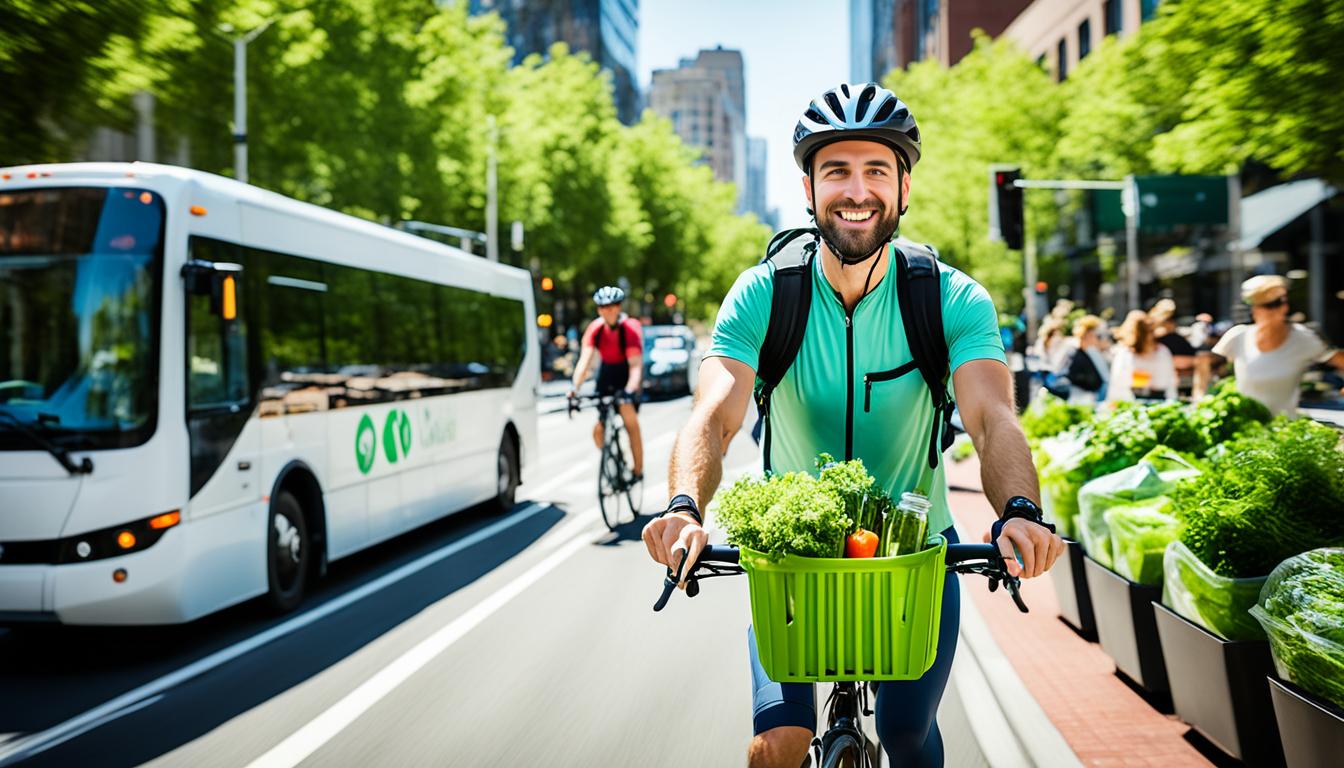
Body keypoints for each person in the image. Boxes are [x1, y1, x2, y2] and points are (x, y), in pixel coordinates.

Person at [641, 82, 1063, 768]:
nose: (856, 189)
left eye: (876, 170)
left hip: (914, 557)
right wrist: (686, 506)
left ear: (902, 189)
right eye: (836, 170)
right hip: (791, 566)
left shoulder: (949, 297)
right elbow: (714, 414)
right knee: (777, 745)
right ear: (809, 189)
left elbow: (991, 418)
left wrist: (1020, 509)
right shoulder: (765, 292)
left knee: (905, 736)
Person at [1193, 275, 1344, 416]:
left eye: (1278, 303)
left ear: (1285, 306)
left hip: (1284, 431)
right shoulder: (1238, 336)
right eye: (1267, 305)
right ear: (1254, 309)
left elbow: (1339, 359)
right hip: (1245, 427)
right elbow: (1204, 361)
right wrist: (1199, 398)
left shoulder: (1303, 338)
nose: (1276, 310)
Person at [569, 286, 644, 479]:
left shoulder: (630, 327)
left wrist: (629, 389)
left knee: (630, 420)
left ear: (619, 307)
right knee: (598, 429)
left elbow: (635, 366)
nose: (608, 310)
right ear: (598, 310)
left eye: (612, 306)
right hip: (607, 374)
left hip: (626, 374)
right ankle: (612, 460)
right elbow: (584, 361)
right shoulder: (595, 328)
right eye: (603, 307)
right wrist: (574, 389)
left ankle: (637, 470)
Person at [1106, 310, 1178, 402]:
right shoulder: (1126, 353)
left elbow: (1168, 382)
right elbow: (1118, 383)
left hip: (1160, 400)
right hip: (1133, 400)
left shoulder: (1162, 352)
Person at [1059, 314, 1108, 405]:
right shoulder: (1072, 352)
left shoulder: (1090, 352)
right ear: (1089, 334)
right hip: (1077, 402)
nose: (1099, 339)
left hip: (1088, 401)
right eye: (1098, 335)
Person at [1148, 299, 1197, 383]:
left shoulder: (1169, 321)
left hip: (1181, 351)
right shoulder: (1151, 322)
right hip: (1170, 356)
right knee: (1202, 361)